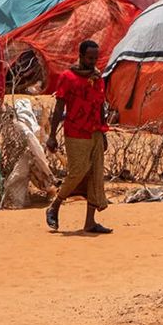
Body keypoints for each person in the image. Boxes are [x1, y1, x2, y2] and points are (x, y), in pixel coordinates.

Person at [45, 40, 112, 234]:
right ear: (81, 56)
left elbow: (100, 107)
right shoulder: (68, 77)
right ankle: (55, 205)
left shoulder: (98, 78)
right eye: (89, 58)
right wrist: (52, 135)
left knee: (96, 175)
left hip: (95, 132)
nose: (93, 62)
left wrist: (103, 133)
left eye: (95, 58)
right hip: (75, 132)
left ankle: (90, 222)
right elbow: (59, 107)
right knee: (78, 171)